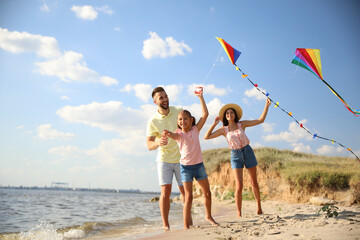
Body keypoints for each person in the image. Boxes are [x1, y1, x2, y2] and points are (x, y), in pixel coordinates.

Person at [204, 98, 271, 217]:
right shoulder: (223, 130)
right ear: (226, 116)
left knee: (254, 182)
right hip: (235, 156)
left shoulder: (242, 124)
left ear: (235, 115)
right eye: (227, 113)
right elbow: (206, 137)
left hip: (248, 152)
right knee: (239, 186)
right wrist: (214, 124)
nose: (230, 114)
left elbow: (261, 120)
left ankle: (259, 207)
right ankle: (239, 213)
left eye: (232, 112)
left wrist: (267, 105)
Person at [163, 90, 219, 229]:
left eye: (185, 119)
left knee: (207, 193)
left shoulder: (195, 130)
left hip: (199, 166)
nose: (183, 121)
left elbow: (205, 115)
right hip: (186, 168)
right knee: (188, 197)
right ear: (178, 122)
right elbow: (173, 135)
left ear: (191, 120)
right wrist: (167, 133)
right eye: (180, 120)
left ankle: (208, 216)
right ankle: (185, 225)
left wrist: (201, 97)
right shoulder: (179, 134)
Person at [146, 86, 185, 230]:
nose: (165, 99)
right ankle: (166, 225)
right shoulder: (152, 121)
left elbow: (189, 126)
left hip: (182, 158)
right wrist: (157, 142)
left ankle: (188, 221)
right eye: (161, 98)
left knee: (184, 191)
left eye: (166, 96)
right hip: (164, 159)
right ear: (155, 102)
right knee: (165, 192)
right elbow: (149, 144)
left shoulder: (178, 111)